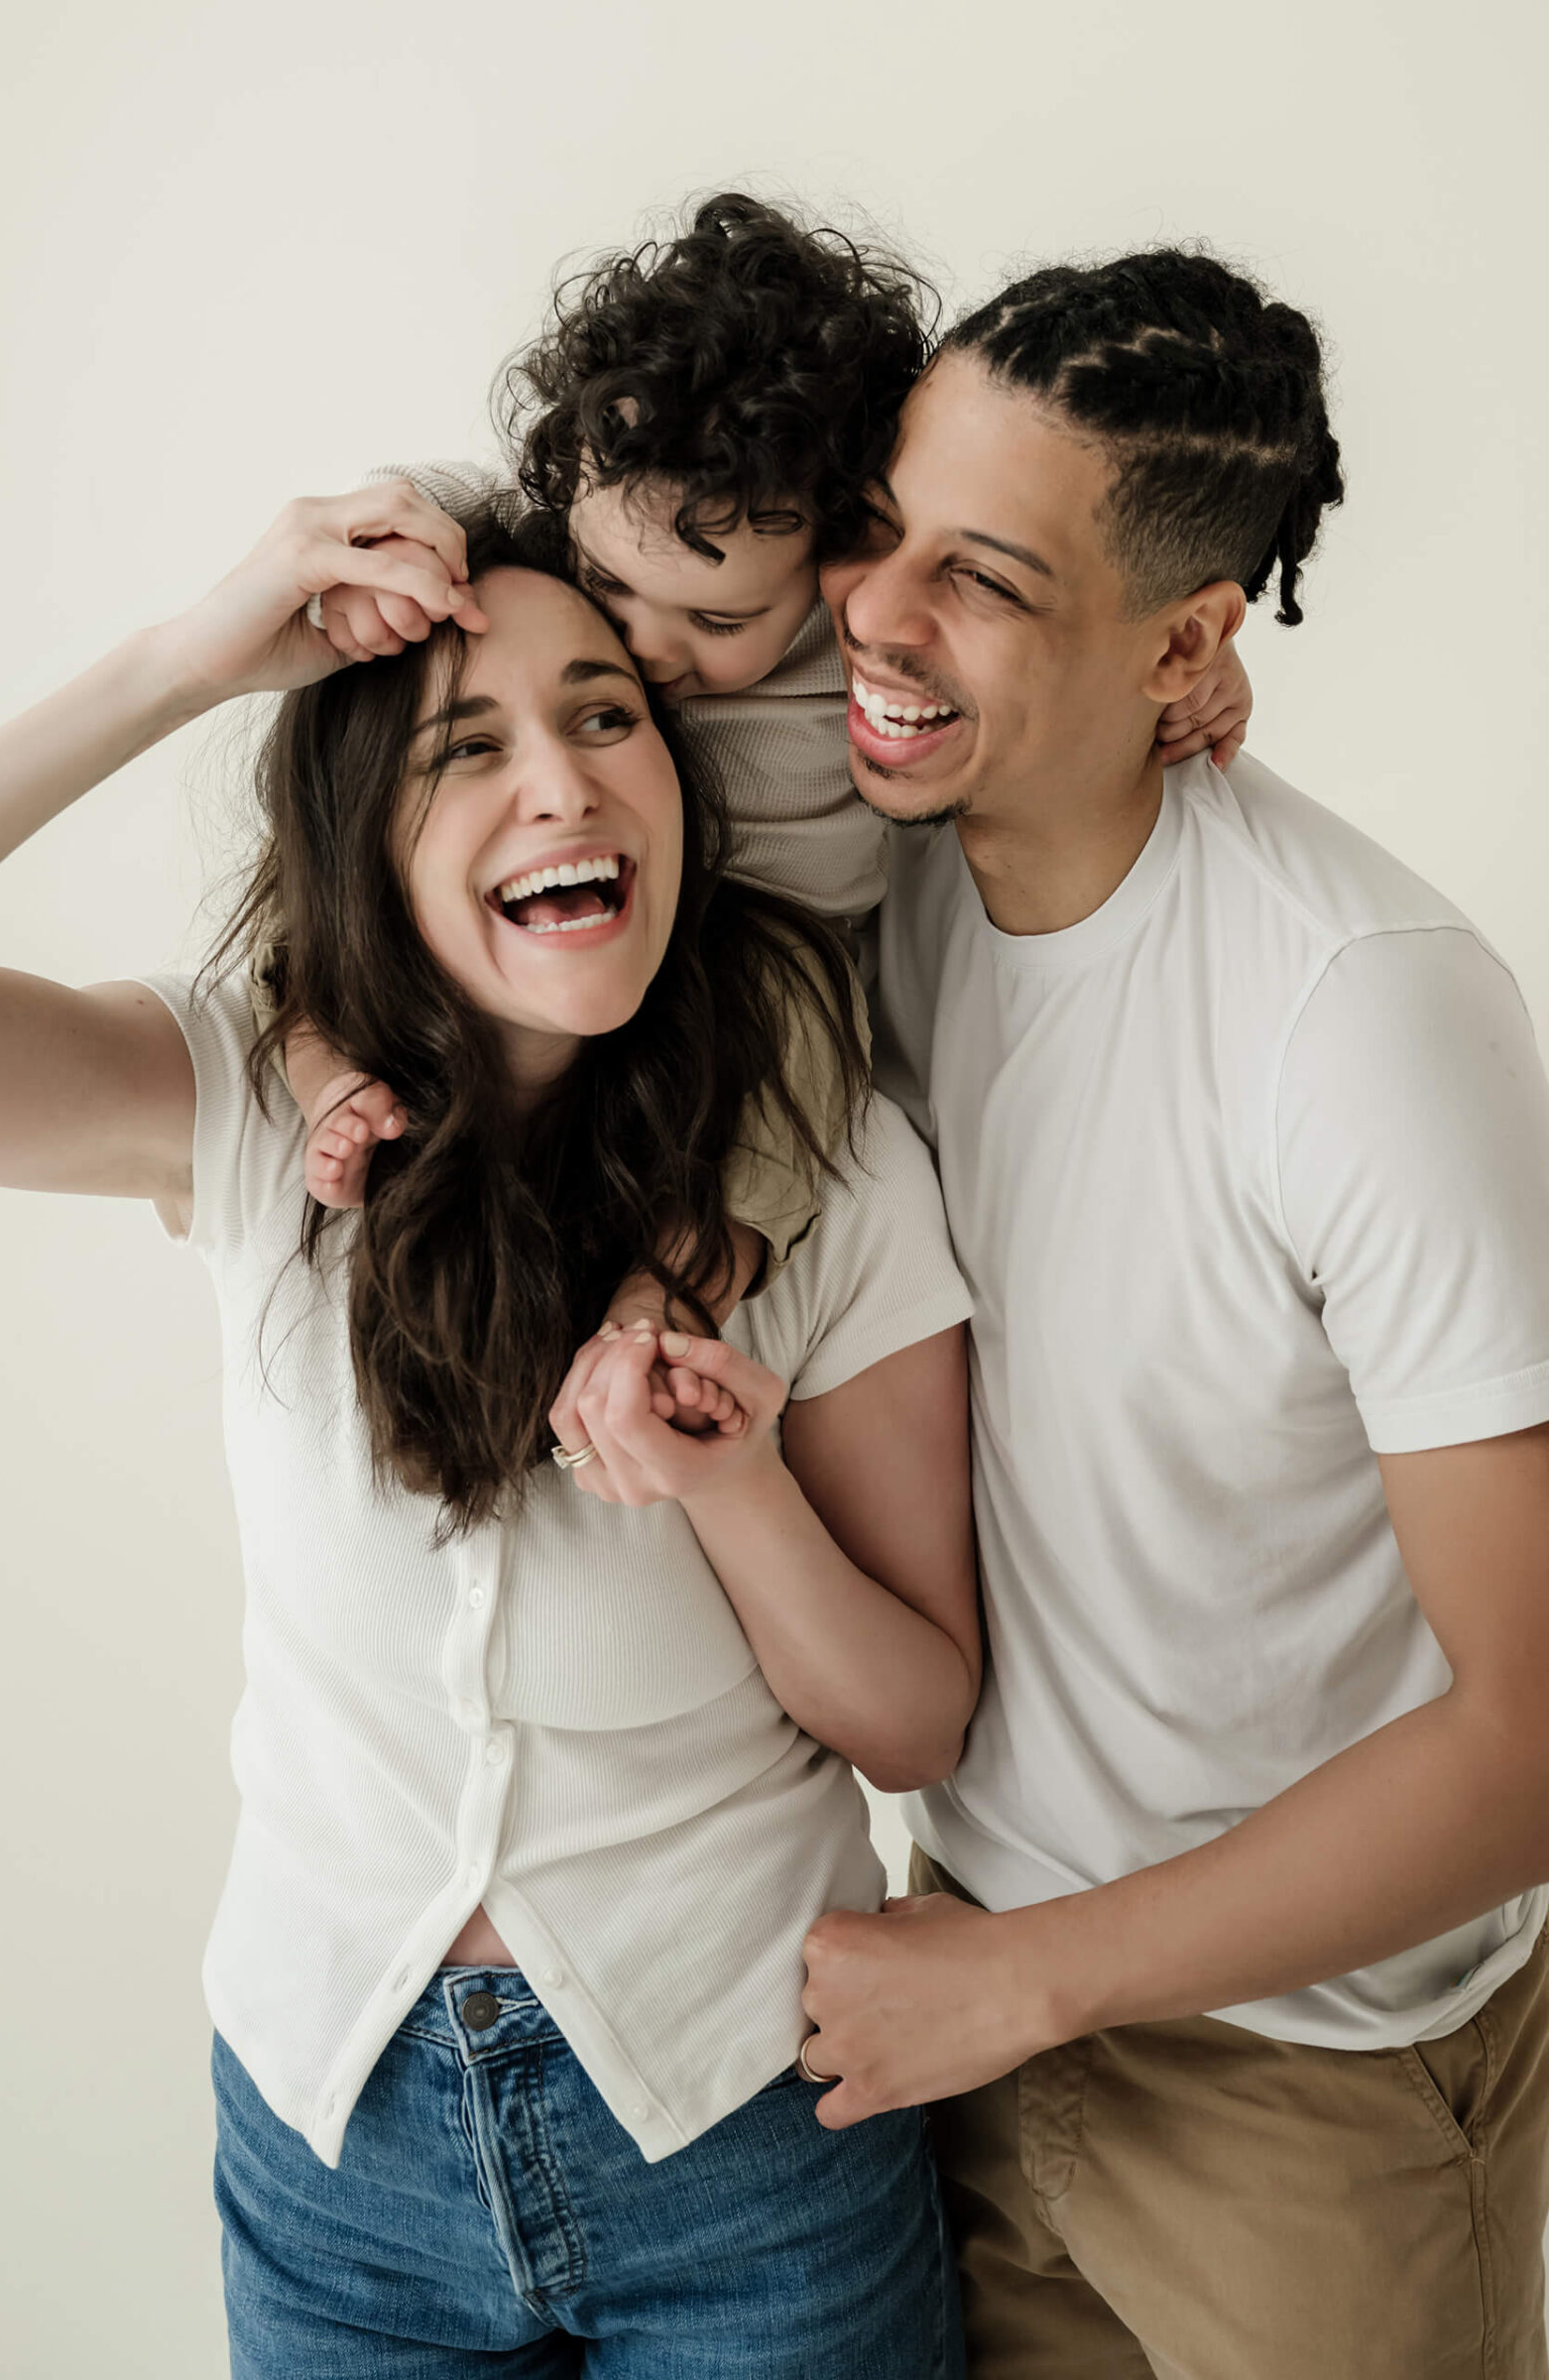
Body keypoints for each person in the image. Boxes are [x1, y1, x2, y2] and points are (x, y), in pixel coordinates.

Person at [0, 486, 980, 2375]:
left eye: (605, 716)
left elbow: (917, 1718)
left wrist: (737, 1488)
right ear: (366, 837)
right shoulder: (242, 1105)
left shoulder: (827, 1165)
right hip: (335, 2148)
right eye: (467, 749)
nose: (565, 784)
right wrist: (185, 660)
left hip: (747, 2130)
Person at [784, 250, 1549, 2378]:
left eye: (983, 579)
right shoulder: (865, 867)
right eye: (878, 525)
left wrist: (1029, 1978)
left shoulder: (1358, 1014)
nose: (873, 611)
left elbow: (1529, 1733)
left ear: (1188, 646)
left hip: (1303, 2088)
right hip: (952, 2014)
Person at [294, 194, 1252, 1222]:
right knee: (326, 922)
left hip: (765, 940)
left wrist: (1191, 666)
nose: (645, 646)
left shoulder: (861, 639)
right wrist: (368, 561)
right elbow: (431, 501)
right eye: (610, 583)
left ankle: (710, 1255)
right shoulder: (559, 554)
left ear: (831, 557)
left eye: (718, 619)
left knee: (807, 1027)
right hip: (574, 910)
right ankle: (327, 1085)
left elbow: (1036, 641)